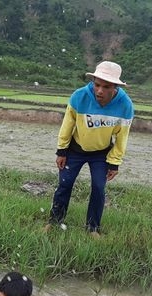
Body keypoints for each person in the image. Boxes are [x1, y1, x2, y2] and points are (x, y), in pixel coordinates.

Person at [45, 60, 135, 238]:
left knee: (98, 187)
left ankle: (92, 228)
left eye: (106, 87)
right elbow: (67, 125)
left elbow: (121, 138)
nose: (100, 91)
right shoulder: (79, 97)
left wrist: (114, 163)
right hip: (75, 150)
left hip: (101, 154)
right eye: (97, 85)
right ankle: (54, 222)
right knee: (65, 184)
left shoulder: (125, 105)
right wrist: (61, 151)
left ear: (115, 87)